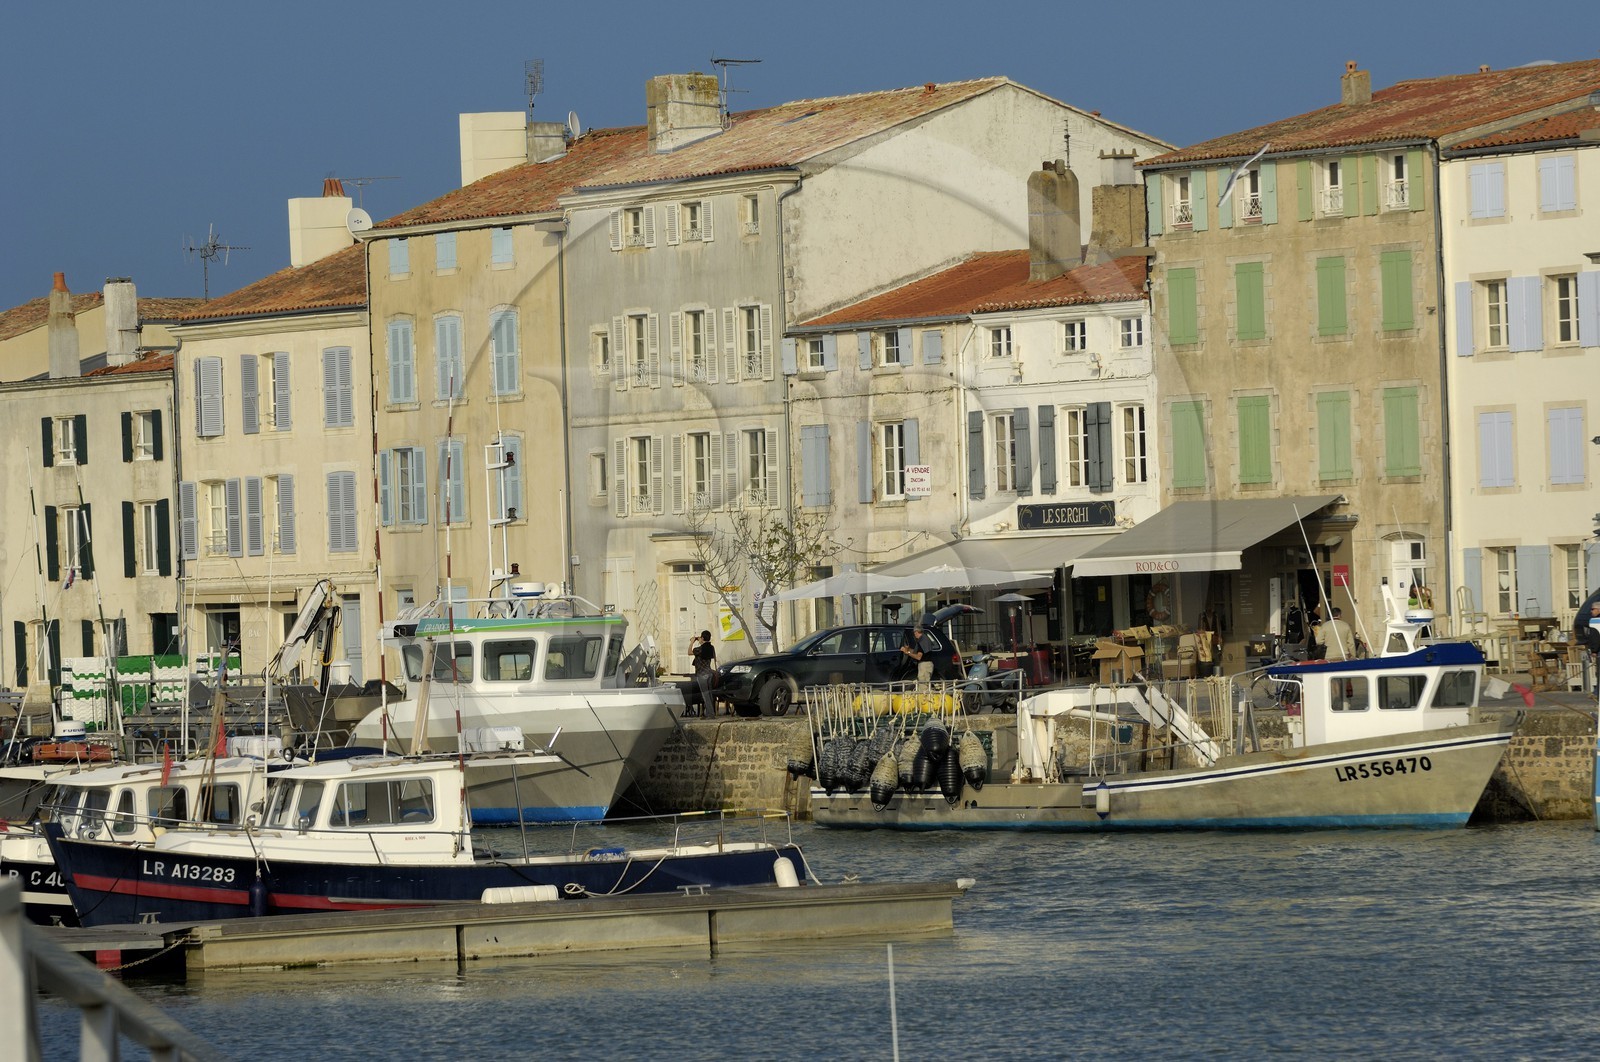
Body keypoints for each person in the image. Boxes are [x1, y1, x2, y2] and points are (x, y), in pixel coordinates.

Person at [901, 620, 939, 687]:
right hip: (926, 665)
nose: (914, 634)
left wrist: (907, 652)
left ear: (917, 631)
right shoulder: (924, 639)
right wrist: (908, 649)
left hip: (925, 665)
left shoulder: (922, 640)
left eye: (914, 632)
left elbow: (918, 657)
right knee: (923, 685)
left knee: (923, 687)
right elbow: (917, 651)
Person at [690, 630, 717, 717]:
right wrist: (700, 640)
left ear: (702, 638)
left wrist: (692, 642)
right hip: (709, 673)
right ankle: (710, 713)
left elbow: (689, 652)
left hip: (702, 674)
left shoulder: (699, 649)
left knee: (705, 695)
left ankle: (710, 714)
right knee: (709, 694)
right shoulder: (711, 647)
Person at [1578, 603, 1600, 697]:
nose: (1591, 611)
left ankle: (1597, 693)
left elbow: (1596, 638)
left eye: (1593, 609)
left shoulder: (1595, 622)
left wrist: (1594, 650)